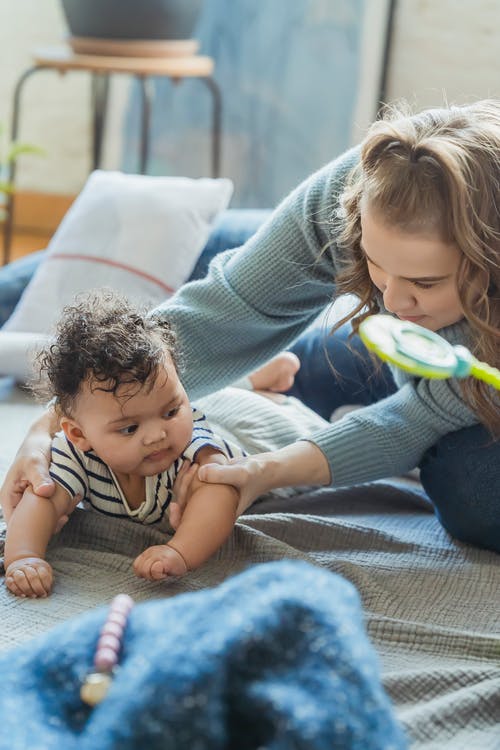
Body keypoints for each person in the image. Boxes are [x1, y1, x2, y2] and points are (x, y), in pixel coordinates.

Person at [1, 100, 499, 553]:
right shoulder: (361, 187)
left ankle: (264, 377)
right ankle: (264, 365)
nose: (390, 299)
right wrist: (51, 424)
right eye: (375, 264)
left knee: (474, 497)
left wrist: (260, 472)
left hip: (469, 370)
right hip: (337, 302)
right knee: (167, 250)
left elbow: (412, 420)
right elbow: (228, 310)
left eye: (424, 282)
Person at [0, 291, 308, 598]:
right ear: (80, 435)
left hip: (256, 428)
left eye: (171, 411)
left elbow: (221, 494)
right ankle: (255, 379)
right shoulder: (74, 454)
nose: (157, 435)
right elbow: (42, 498)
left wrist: (180, 551)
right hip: (206, 405)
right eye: (130, 428)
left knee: (289, 425)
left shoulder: (193, 446)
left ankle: (258, 383)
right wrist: (24, 557)